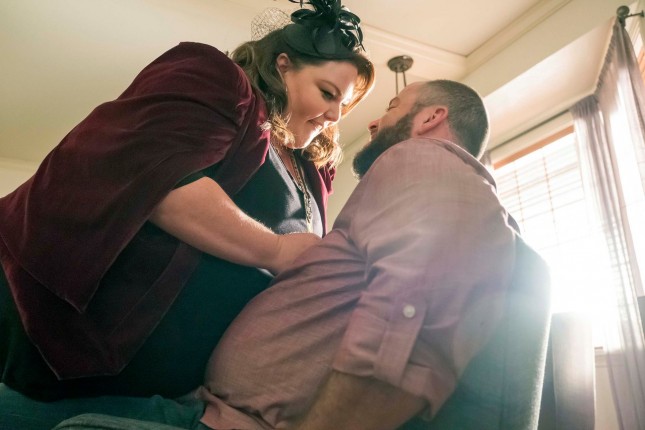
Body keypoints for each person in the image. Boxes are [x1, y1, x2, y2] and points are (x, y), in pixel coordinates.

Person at [53, 80, 551, 430]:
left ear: (431, 117)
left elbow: (430, 297)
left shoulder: (422, 157)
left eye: (392, 105)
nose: (374, 121)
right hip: (203, 410)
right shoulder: (407, 187)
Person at [0, 0, 375, 412]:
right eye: (327, 93)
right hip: (68, 356)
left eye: (344, 106)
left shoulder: (314, 174)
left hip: (169, 397)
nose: (334, 115)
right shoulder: (217, 79)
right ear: (283, 66)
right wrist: (278, 250)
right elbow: (157, 177)